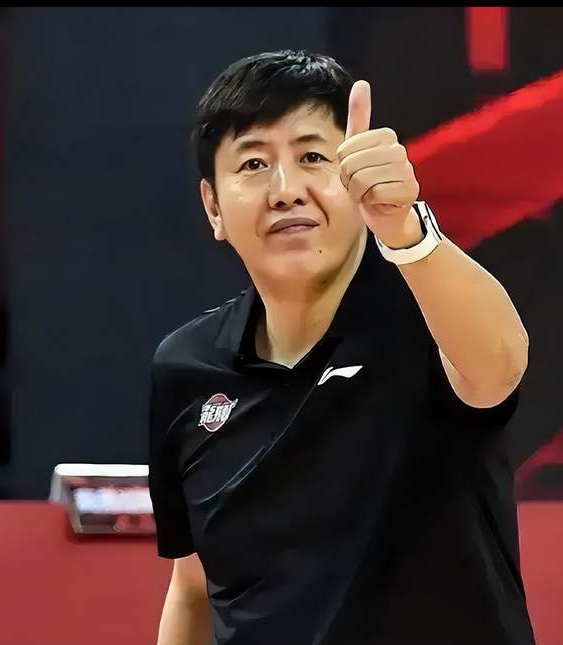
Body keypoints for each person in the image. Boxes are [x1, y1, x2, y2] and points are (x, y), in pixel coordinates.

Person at [147, 49, 534, 645]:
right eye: (253, 163)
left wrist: (405, 229)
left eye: (312, 157)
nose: (286, 191)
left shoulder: (430, 311)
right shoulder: (186, 367)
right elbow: (194, 587)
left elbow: (500, 366)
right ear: (213, 206)